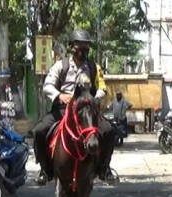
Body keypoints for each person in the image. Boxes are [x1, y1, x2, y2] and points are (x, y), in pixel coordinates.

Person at [33, 30, 115, 186]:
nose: (83, 52)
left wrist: (93, 99)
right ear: (71, 47)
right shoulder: (60, 66)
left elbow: (102, 88)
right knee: (39, 131)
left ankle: (104, 168)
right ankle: (44, 169)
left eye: (86, 49)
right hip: (63, 110)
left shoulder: (94, 67)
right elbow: (48, 86)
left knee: (109, 130)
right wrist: (60, 96)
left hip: (86, 111)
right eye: (79, 48)